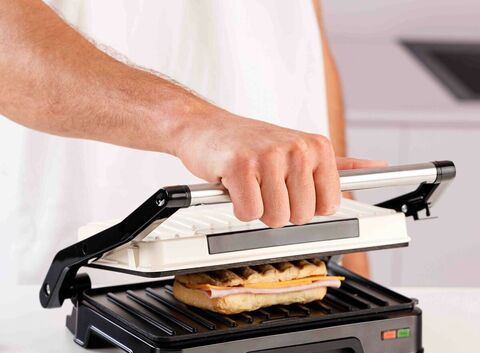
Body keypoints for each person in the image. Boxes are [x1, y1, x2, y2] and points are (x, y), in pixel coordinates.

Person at [0, 0, 382, 282]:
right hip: (75, 262)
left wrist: (352, 243)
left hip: (298, 258)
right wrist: (190, 124)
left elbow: (304, 31)